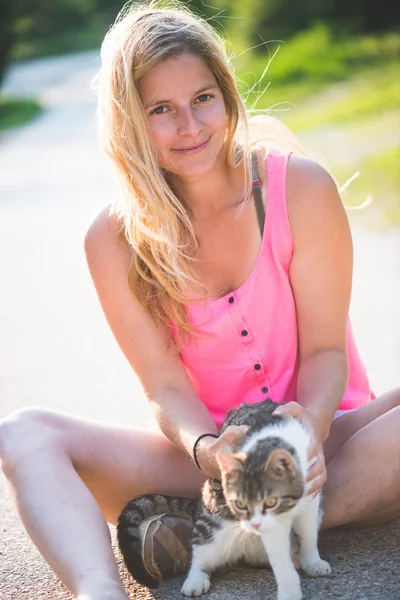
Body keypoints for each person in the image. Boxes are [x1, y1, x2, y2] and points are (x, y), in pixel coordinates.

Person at [0, 2, 399, 600]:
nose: (189, 126)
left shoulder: (300, 189)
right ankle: (98, 588)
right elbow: (163, 387)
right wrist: (208, 451)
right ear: (128, 123)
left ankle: (217, 533)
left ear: (227, 96)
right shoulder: (112, 239)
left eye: (202, 99)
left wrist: (312, 426)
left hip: (327, 440)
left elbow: (323, 348)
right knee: (23, 435)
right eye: (161, 110)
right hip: (203, 462)